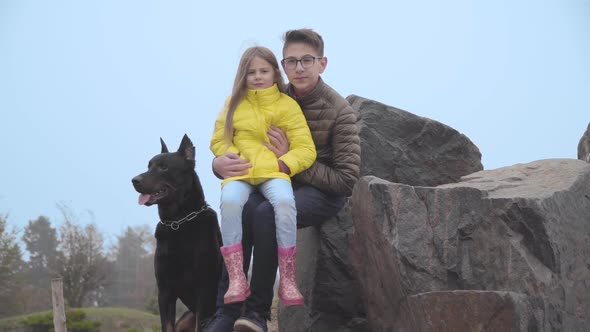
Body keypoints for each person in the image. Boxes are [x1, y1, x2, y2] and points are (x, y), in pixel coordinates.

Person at [204, 28, 361, 332]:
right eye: (291, 61)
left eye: (307, 60)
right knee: (243, 207)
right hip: (272, 180)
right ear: (283, 66)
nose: (299, 68)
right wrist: (217, 164)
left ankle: (258, 315)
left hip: (321, 191)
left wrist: (290, 162)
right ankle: (226, 312)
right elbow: (235, 137)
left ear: (322, 63)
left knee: (264, 214)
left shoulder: (340, 111)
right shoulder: (268, 94)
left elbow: (346, 180)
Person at [209, 46, 317, 308]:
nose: (257, 76)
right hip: (241, 173)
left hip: (273, 172)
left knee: (284, 202)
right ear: (242, 76)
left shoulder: (287, 105)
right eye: (251, 72)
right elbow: (218, 140)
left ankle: (288, 279)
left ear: (275, 73)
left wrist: (283, 164)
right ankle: (236, 277)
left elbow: (306, 148)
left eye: (264, 71)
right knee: (231, 203)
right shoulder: (232, 104)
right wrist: (229, 156)